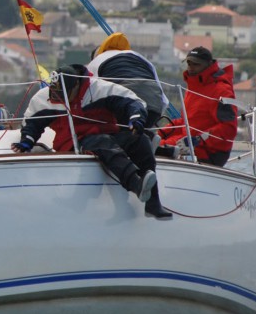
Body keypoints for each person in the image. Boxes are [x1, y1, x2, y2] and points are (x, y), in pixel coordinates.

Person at [12, 64, 172, 219]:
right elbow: (32, 124)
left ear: (76, 85)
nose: (58, 97)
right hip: (73, 143)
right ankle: (136, 185)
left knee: (140, 140)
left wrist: (136, 118)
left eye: (64, 93)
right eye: (55, 92)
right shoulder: (45, 98)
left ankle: (153, 203)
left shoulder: (99, 89)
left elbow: (132, 102)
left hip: (107, 135)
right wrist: (26, 142)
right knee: (102, 143)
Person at [158, 46, 238, 167]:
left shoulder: (222, 90)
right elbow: (185, 122)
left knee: (159, 150)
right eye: (189, 63)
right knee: (152, 145)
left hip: (210, 151)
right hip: (189, 143)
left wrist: (198, 139)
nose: (191, 68)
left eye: (196, 64)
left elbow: (229, 128)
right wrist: (160, 133)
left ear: (208, 65)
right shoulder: (193, 86)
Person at [87, 32, 169, 135]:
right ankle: (149, 138)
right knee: (139, 133)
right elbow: (161, 95)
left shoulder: (96, 62)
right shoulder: (140, 57)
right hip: (154, 104)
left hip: (126, 102)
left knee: (119, 134)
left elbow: (88, 93)